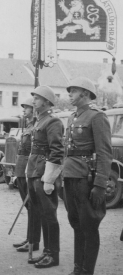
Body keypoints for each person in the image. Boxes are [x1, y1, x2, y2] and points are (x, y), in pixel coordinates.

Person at [62, 77, 112, 275]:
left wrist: (100, 184)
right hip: (71, 175)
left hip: (85, 178)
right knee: (76, 223)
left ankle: (87, 271)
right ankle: (78, 268)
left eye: (73, 91)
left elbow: (104, 152)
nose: (69, 94)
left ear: (84, 93)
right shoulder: (71, 117)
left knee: (89, 224)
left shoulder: (97, 117)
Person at [26, 85, 64, 269]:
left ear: (47, 102)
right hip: (34, 171)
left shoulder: (53, 122)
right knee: (41, 213)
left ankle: (53, 254)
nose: (33, 101)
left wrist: (49, 179)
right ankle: (46, 252)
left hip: (43, 174)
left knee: (49, 215)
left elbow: (56, 151)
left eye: (37, 98)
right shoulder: (39, 121)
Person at [13, 98, 41, 252]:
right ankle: (29, 239)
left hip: (28, 169)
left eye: (27, 107)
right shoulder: (28, 126)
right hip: (21, 169)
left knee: (33, 206)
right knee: (29, 207)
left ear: (34, 110)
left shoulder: (36, 127)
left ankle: (33, 242)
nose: (24, 110)